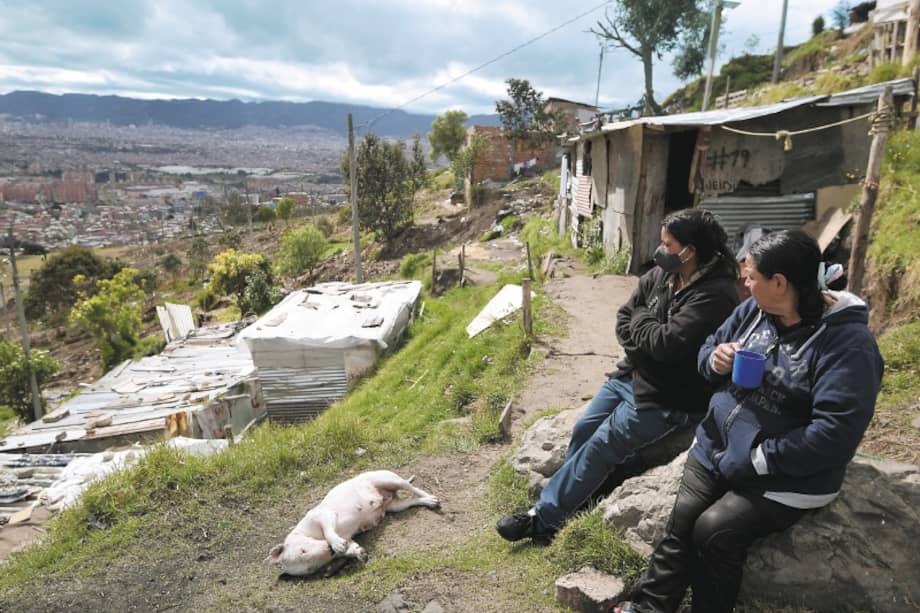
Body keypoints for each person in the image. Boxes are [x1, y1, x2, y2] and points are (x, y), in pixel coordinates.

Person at [615, 230, 884, 613]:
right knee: (682, 525)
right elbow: (707, 350)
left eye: (752, 275)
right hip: (716, 446)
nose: (744, 282)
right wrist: (715, 358)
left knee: (714, 532)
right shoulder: (755, 308)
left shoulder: (847, 345)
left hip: (787, 474)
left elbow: (835, 434)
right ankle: (651, 608)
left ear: (780, 283)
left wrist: (759, 458)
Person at [496, 208, 740, 545]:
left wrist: (644, 330)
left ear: (690, 251)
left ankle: (542, 520)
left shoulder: (715, 294)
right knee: (583, 429)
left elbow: (665, 344)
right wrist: (647, 336)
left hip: (669, 396)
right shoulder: (660, 276)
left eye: (667, 244)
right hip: (632, 374)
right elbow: (626, 320)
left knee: (602, 445)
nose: (660, 250)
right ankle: (574, 502)